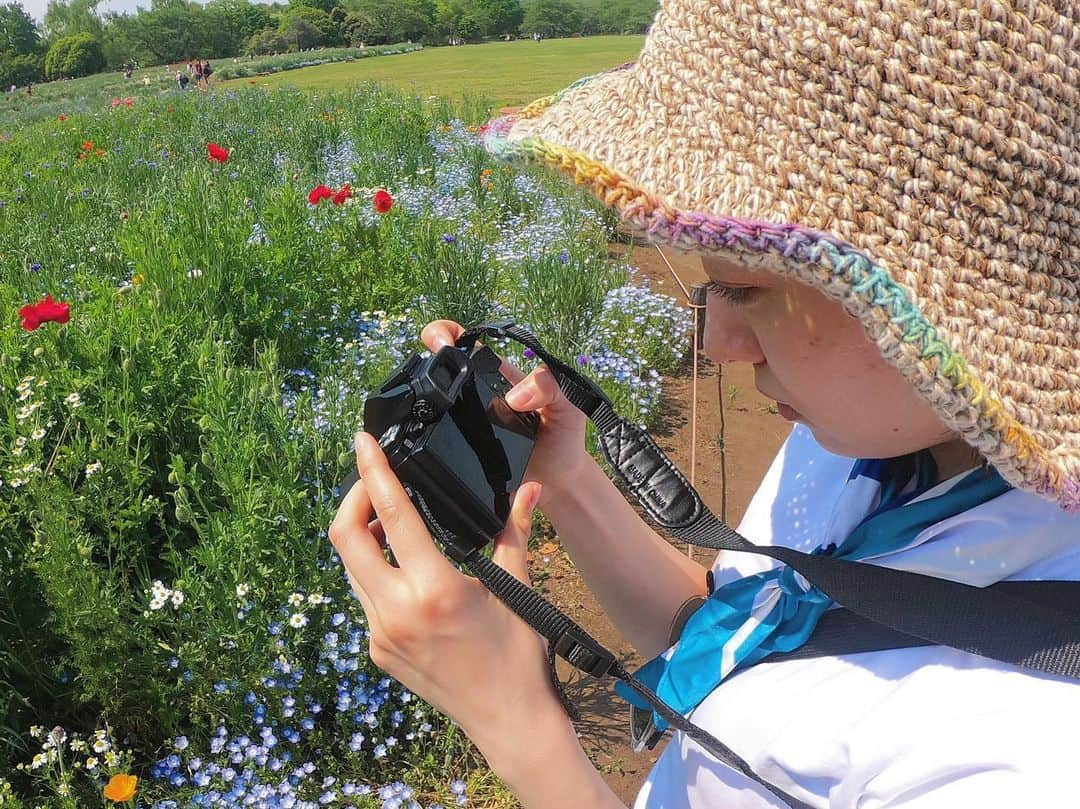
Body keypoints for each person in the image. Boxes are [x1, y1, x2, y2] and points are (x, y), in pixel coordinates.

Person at [329, 0, 1080, 806]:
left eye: (746, 287)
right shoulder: (873, 440)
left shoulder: (1024, 753)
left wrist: (514, 722)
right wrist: (571, 477)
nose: (718, 342)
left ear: (942, 303)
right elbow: (737, 623)